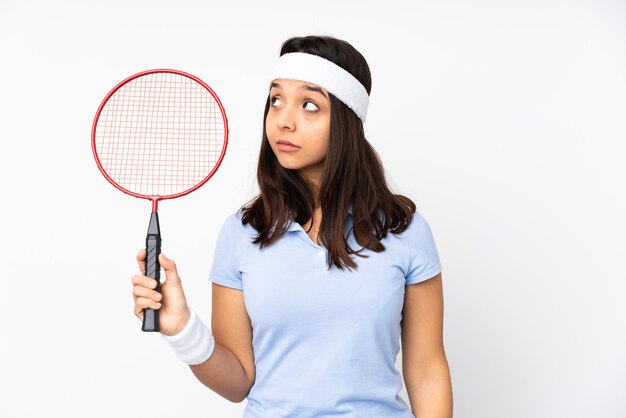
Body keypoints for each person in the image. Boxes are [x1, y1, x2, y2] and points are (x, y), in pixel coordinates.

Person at [131, 35, 453, 418]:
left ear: (348, 122)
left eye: (310, 105)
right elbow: (238, 382)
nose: (284, 120)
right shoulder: (242, 234)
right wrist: (183, 330)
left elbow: (427, 370)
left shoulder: (406, 232)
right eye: (276, 100)